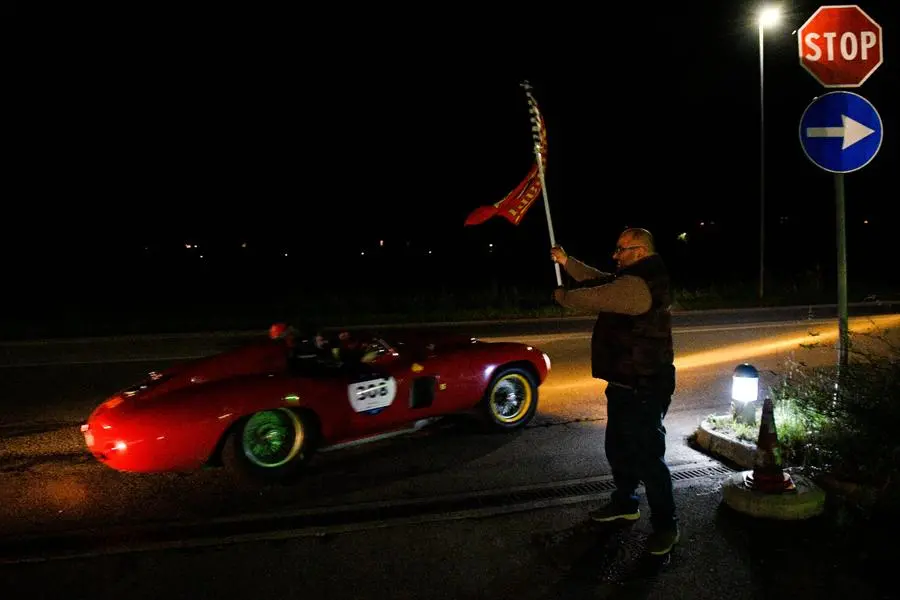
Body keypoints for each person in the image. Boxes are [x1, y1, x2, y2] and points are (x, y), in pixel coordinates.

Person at [550, 227, 679, 556]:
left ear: (639, 251)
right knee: (619, 448)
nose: (615, 254)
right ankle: (625, 503)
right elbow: (598, 280)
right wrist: (567, 262)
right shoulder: (632, 278)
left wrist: (564, 296)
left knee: (649, 457)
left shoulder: (639, 285)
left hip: (645, 383)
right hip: (625, 381)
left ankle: (666, 525)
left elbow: (594, 295)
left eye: (621, 249)